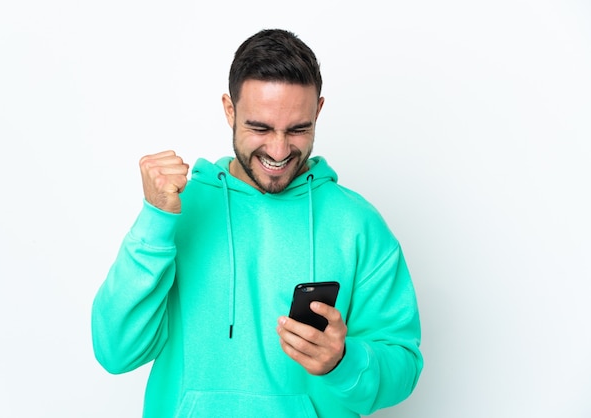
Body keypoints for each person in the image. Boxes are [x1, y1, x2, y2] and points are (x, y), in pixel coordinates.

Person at [92, 28, 423, 418]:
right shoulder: (178, 208)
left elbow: (404, 364)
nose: (279, 151)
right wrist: (155, 219)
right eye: (261, 128)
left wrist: (343, 361)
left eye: (298, 129)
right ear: (230, 111)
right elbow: (115, 352)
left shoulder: (356, 223)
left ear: (318, 111)